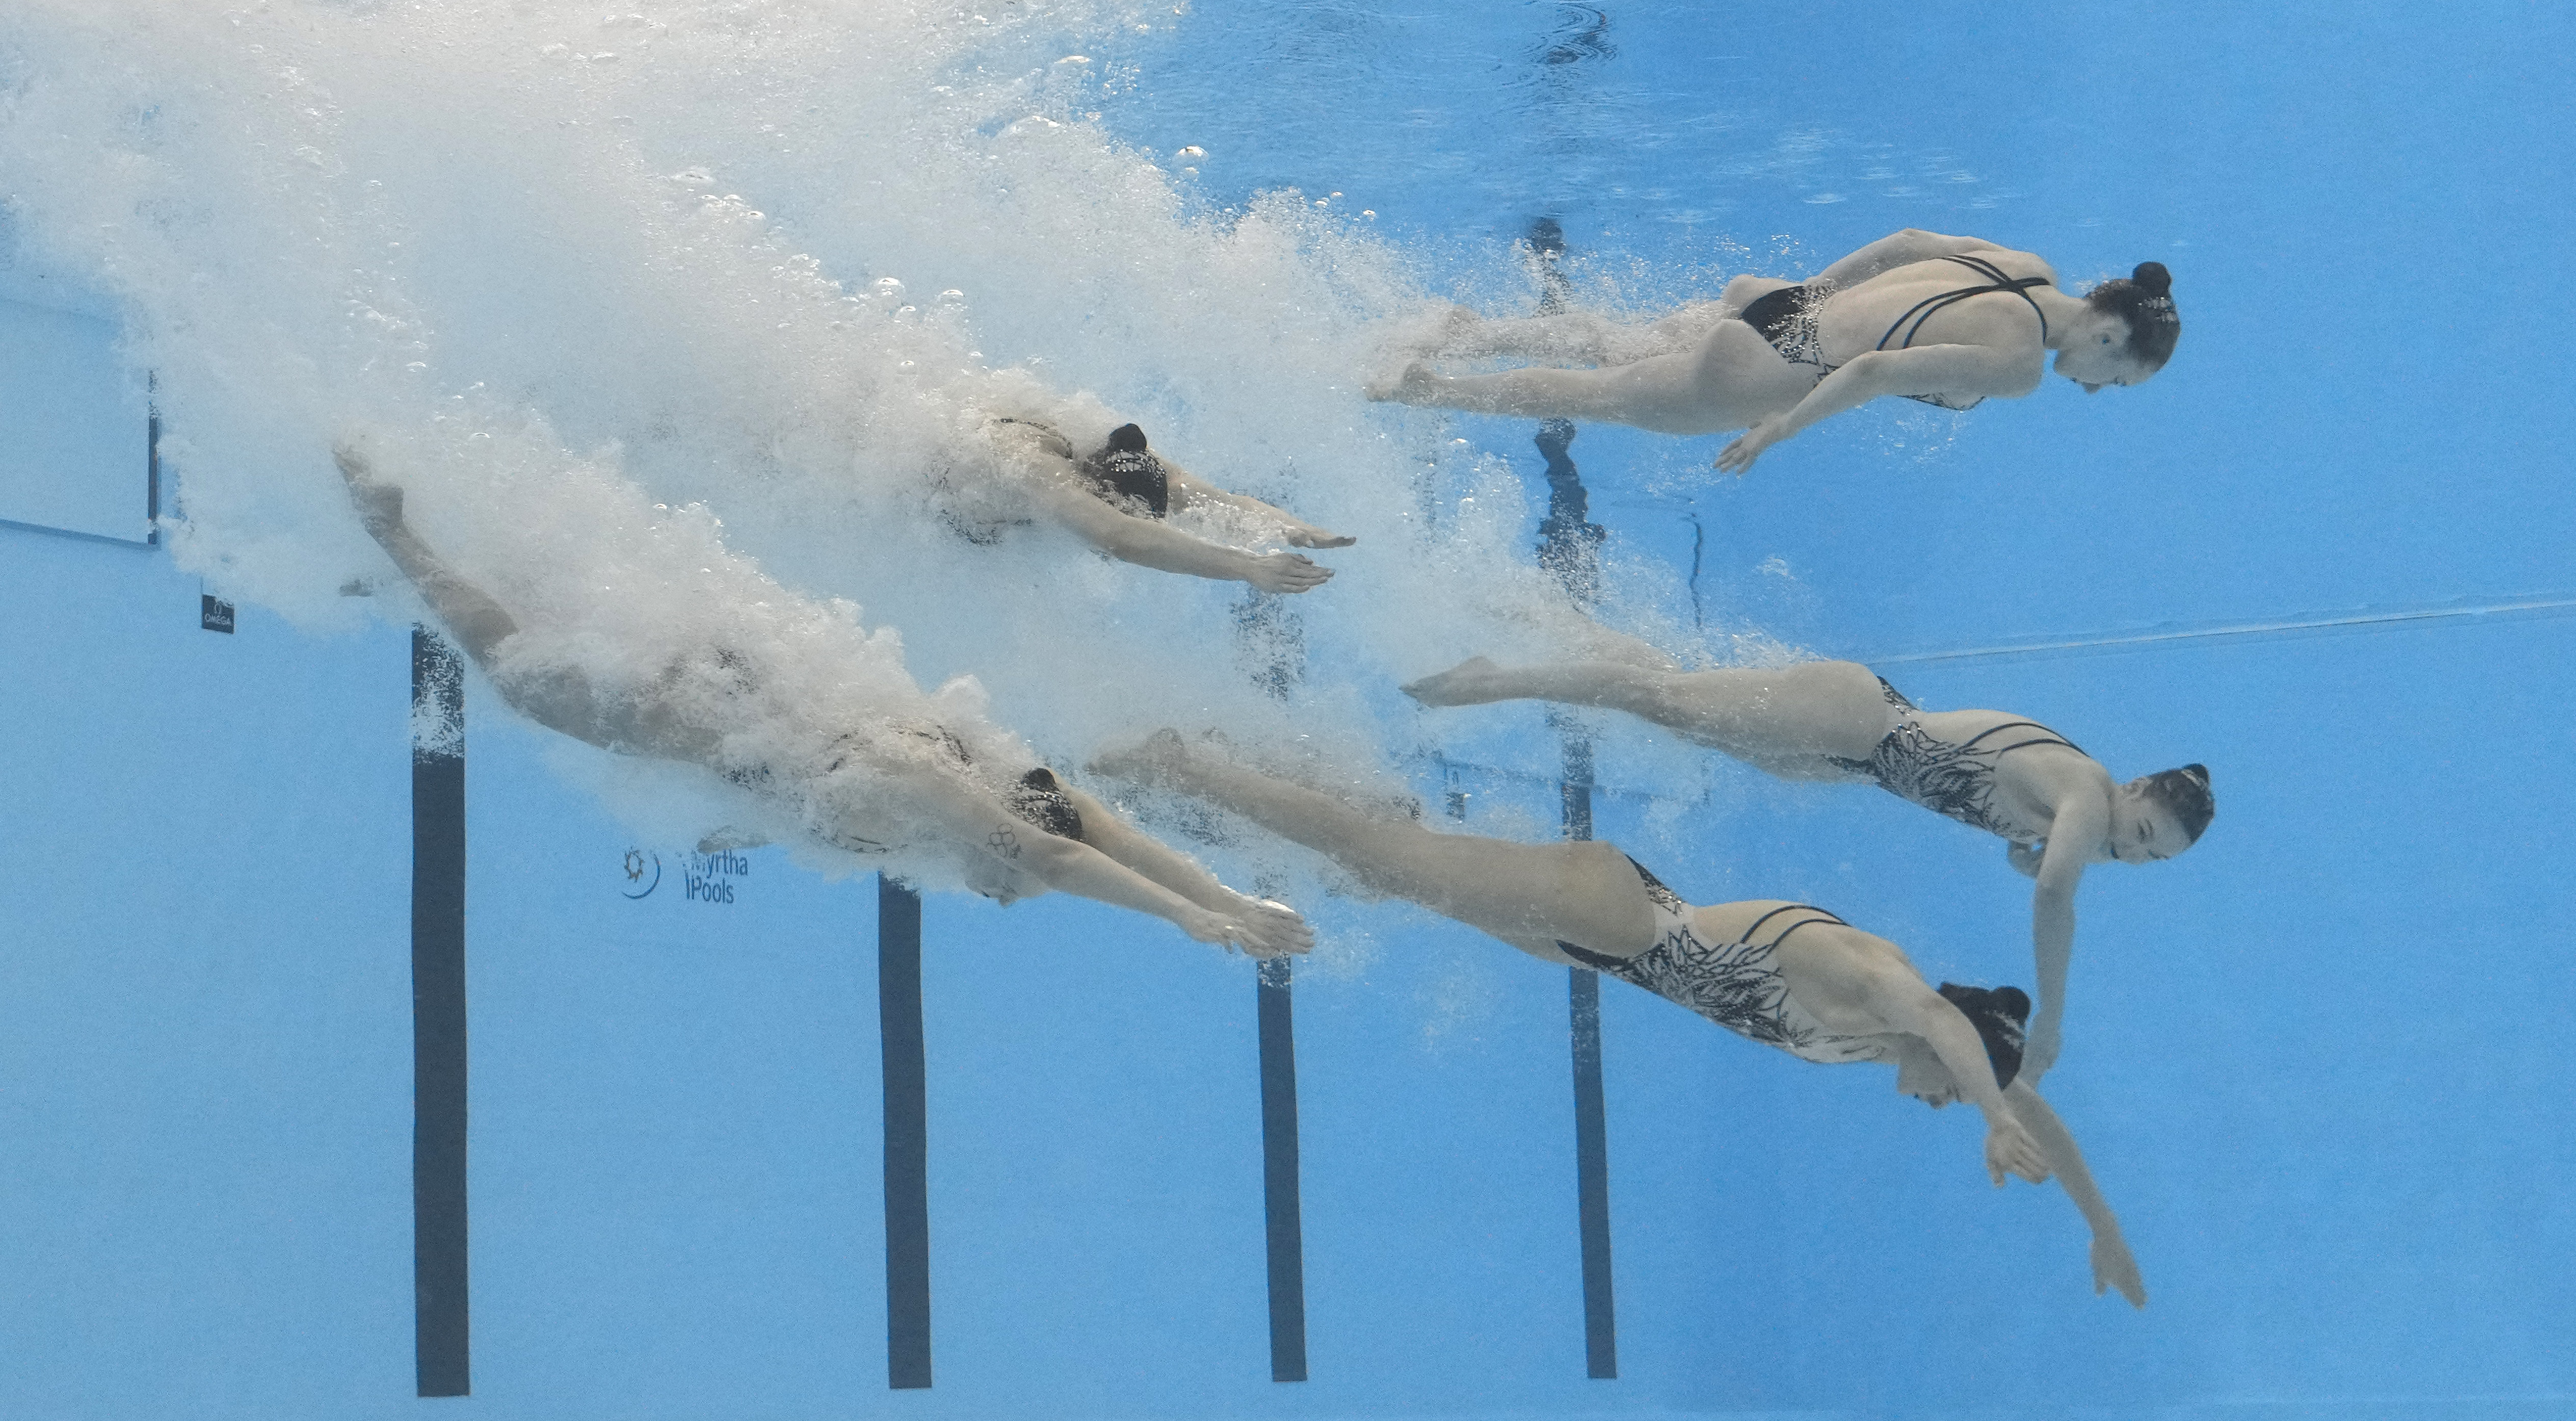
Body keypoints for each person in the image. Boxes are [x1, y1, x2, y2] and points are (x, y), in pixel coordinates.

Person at [1094, 730, 2146, 1306]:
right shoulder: (1884, 986)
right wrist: (1988, 1117)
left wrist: (2100, 1228)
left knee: (1391, 869)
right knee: (1383, 858)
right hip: (1617, 911)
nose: (1939, 1105)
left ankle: (1263, 770)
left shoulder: (1894, 1043)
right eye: (1956, 1092)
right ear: (1952, 1053)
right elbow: (1962, 1047)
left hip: (1600, 948)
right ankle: (1186, 762)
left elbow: (2034, 1110)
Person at [335, 444, 1312, 956]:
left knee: (553, 643)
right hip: (694, 707)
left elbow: (1097, 838)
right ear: (1001, 841)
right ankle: (395, 534)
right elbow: (1056, 857)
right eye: (1013, 880)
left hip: (743, 705)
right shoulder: (931, 788)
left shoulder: (981, 794)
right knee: (519, 674)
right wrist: (1188, 923)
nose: (1008, 902)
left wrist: (1225, 898)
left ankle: (446, 542)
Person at [1403, 651, 2212, 1080]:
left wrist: (2019, 843)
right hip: (1856, 719)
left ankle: (1582, 639)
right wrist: (2052, 1023)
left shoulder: (2077, 815)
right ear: (2131, 785)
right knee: (1667, 701)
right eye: (2141, 828)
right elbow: (2054, 900)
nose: (2130, 849)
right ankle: (1496, 678)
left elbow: (2015, 824)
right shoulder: (2084, 793)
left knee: (1681, 707)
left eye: (2150, 856)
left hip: (1848, 758)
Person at [1368, 229, 2181, 473]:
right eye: (2114, 378)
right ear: (2109, 336)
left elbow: (1905, 242)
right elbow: (1872, 372)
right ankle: (1431, 388)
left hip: (1782, 307)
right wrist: (1778, 428)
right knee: (1595, 394)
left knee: (1612, 340)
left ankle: (1472, 333)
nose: (2094, 388)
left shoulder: (2025, 264)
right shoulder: (2017, 364)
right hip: (1767, 374)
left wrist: (1813, 291)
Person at [942, 409, 1353, 592]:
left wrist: (1293, 528)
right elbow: (1119, 536)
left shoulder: (1115, 453)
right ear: (1098, 495)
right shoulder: (1030, 466)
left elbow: (1214, 500)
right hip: (933, 498)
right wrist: (1249, 567)